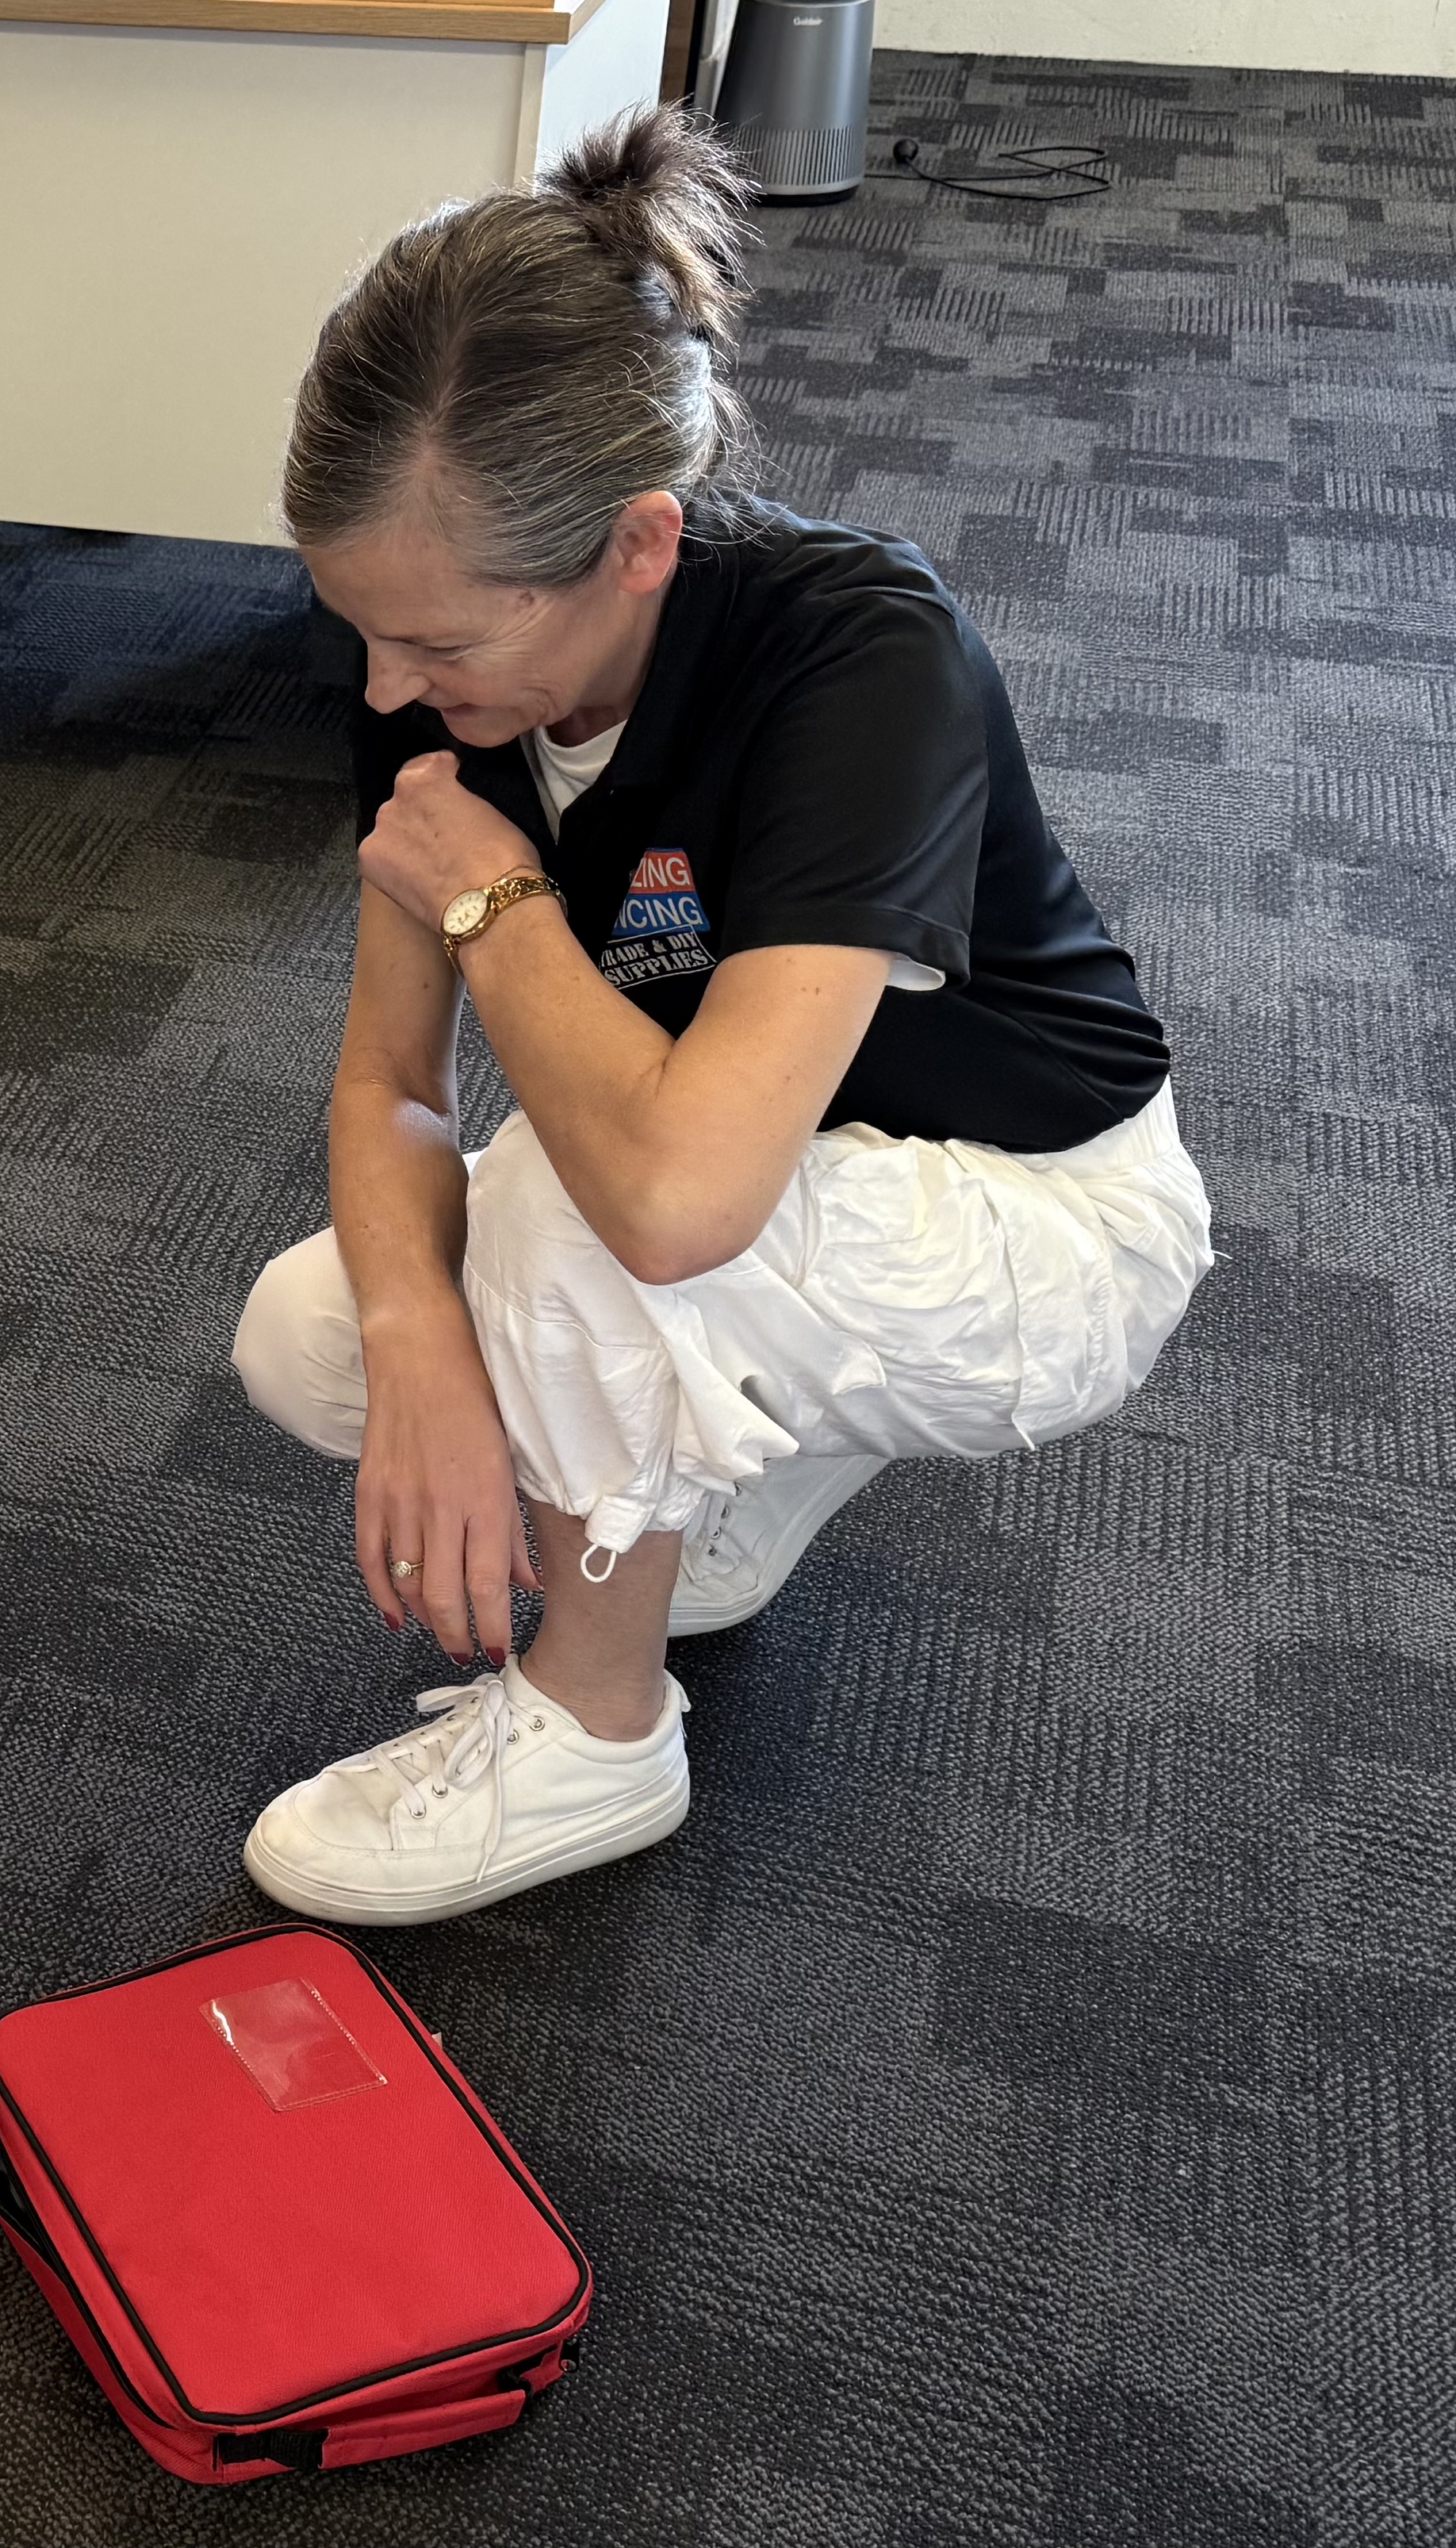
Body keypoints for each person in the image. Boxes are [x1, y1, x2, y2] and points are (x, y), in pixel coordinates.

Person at [225, 107, 1215, 1928]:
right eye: (360, 630)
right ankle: (723, 1478)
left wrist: (496, 898)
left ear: (639, 545)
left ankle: (599, 1731)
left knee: (577, 1213)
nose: (387, 688)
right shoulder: (433, 659)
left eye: (440, 644)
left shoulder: (862, 655)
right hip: (768, 1171)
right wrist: (415, 1338)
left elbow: (679, 1199)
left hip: (1042, 1223)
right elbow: (388, 1081)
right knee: (318, 1337)